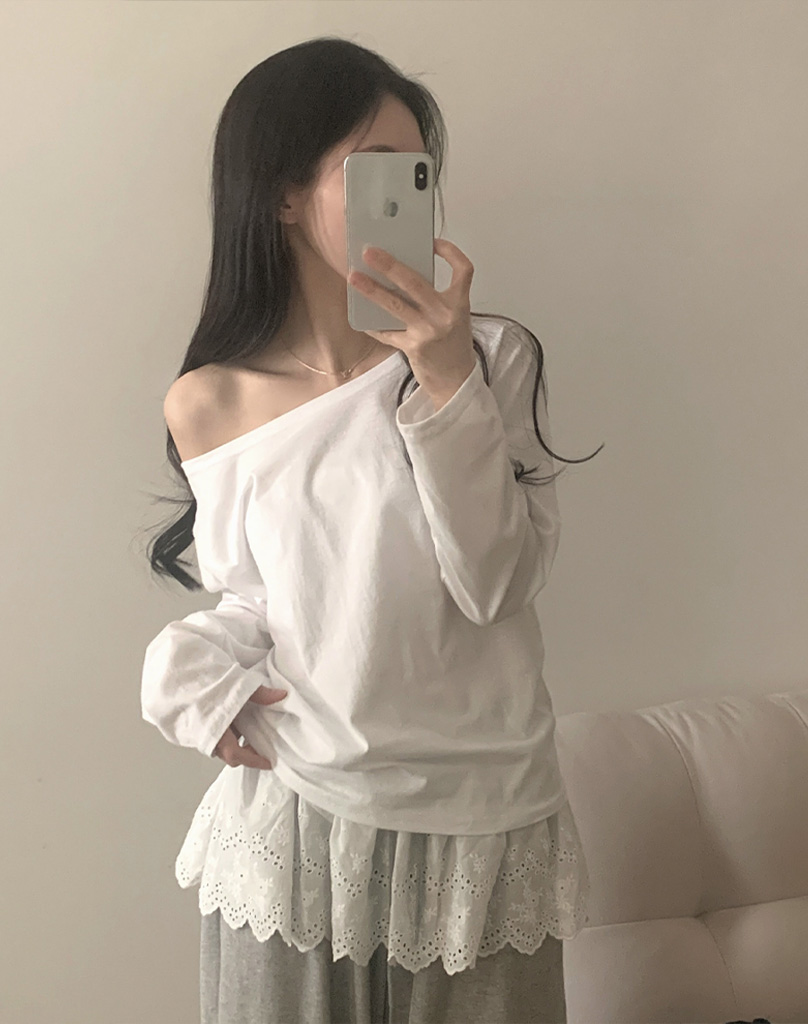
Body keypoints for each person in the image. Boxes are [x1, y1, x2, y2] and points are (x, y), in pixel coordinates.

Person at [141, 35, 600, 1024]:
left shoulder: (493, 358)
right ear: (282, 195)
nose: (409, 196)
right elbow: (269, 601)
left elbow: (493, 582)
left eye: (417, 172)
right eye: (376, 169)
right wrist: (189, 674)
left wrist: (445, 380)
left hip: (487, 819)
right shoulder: (209, 401)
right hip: (300, 822)